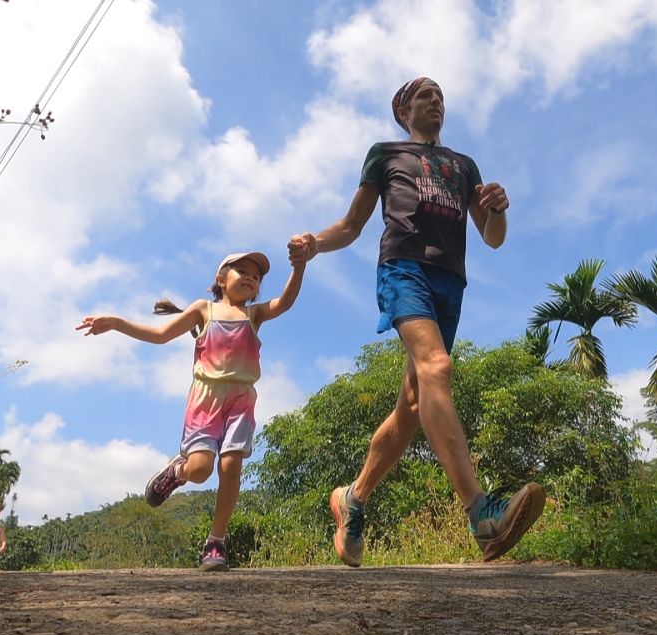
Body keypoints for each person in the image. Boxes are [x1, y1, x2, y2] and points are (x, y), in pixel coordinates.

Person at [288, 77, 545, 567]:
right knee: (437, 367)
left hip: (451, 281)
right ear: (403, 109)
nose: (436, 101)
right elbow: (352, 225)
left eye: (441, 96)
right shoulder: (385, 154)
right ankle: (481, 512)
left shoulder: (464, 166)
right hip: (403, 268)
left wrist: (499, 212)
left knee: (412, 404)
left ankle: (353, 498)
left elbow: (492, 238)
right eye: (425, 95)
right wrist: (315, 244)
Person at [76, 252, 305, 571]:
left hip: (241, 400)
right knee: (200, 470)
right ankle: (176, 472)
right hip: (206, 399)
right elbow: (159, 335)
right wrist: (116, 323)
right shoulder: (203, 309)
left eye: (257, 276)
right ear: (221, 279)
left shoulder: (254, 316)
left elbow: (286, 302)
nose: (251, 277)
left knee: (231, 463)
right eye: (242, 270)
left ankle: (216, 542)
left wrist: (299, 266)